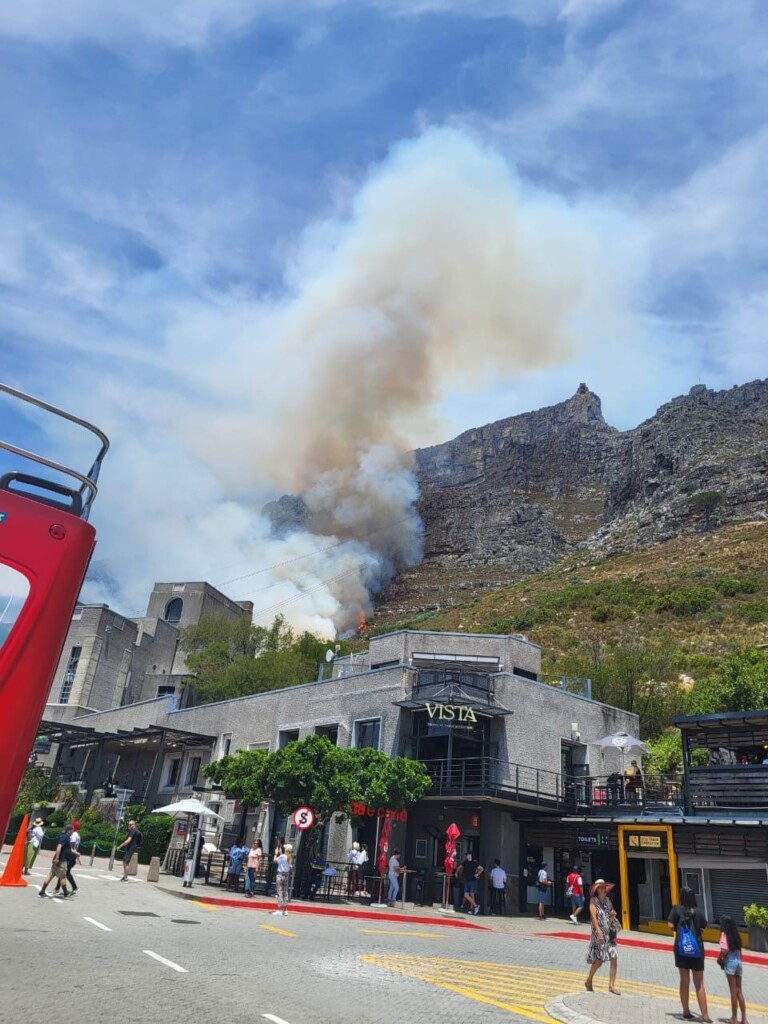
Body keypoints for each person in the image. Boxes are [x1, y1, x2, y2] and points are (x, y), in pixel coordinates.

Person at [668, 886, 712, 1022]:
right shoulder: (698, 912)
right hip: (697, 949)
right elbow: (704, 925)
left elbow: (670, 926)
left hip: (682, 948)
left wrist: (680, 926)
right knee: (699, 984)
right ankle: (705, 1015)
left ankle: (686, 1011)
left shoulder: (676, 909)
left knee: (684, 981)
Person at [585, 879, 621, 995]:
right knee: (599, 961)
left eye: (605, 887)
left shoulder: (608, 900)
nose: (604, 889)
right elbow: (593, 917)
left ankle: (611, 986)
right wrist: (598, 931)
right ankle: (589, 980)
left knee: (614, 957)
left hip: (609, 932)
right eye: (601, 887)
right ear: (597, 889)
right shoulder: (593, 901)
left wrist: (613, 913)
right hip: (599, 932)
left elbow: (613, 911)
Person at [719, 914, 748, 1024]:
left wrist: (720, 958)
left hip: (730, 963)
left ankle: (734, 1018)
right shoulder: (736, 936)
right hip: (738, 963)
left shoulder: (724, 934)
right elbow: (740, 952)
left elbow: (724, 950)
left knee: (733, 992)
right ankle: (744, 1019)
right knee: (739, 991)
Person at [38, 824, 74, 899]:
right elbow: (59, 846)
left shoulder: (64, 837)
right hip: (61, 860)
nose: (72, 832)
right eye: (72, 830)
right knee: (63, 876)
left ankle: (42, 891)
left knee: (51, 874)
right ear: (69, 830)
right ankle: (65, 892)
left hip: (59, 860)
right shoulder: (65, 837)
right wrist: (57, 858)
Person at [55, 820, 80, 895]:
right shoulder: (77, 834)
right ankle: (57, 888)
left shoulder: (74, 835)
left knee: (65, 872)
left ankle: (74, 887)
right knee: (63, 872)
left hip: (71, 856)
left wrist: (72, 853)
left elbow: (71, 846)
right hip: (72, 855)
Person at [272, 842, 292, 916]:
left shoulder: (282, 856)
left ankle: (280, 910)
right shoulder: (289, 857)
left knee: (279, 891)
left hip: (280, 875)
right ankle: (285, 910)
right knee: (285, 892)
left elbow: (274, 860)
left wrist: (276, 853)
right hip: (286, 875)